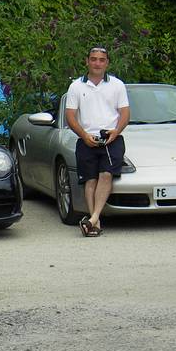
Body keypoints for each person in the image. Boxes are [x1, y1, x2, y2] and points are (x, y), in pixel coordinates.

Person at [65, 46, 130, 237]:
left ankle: (92, 219)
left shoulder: (117, 85)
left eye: (101, 59)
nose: (97, 63)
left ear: (107, 63)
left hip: (112, 137)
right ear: (87, 61)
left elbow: (125, 113)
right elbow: (70, 116)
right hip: (86, 138)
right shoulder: (76, 86)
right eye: (93, 59)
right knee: (90, 180)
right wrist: (84, 136)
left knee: (106, 175)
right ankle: (96, 222)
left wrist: (116, 131)